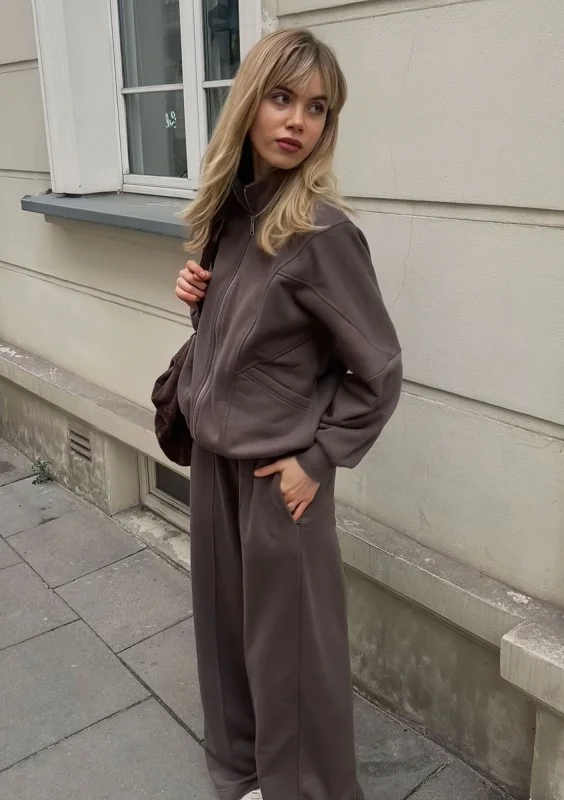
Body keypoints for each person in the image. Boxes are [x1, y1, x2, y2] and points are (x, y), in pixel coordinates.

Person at [170, 27, 402, 800]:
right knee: (225, 637)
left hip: (280, 476)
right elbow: (249, 341)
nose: (297, 120)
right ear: (249, 104)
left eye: (317, 107)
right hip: (215, 460)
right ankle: (244, 776)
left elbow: (378, 368)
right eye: (281, 98)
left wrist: (318, 459)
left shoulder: (322, 234)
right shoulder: (231, 214)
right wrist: (197, 298)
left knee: (293, 659)